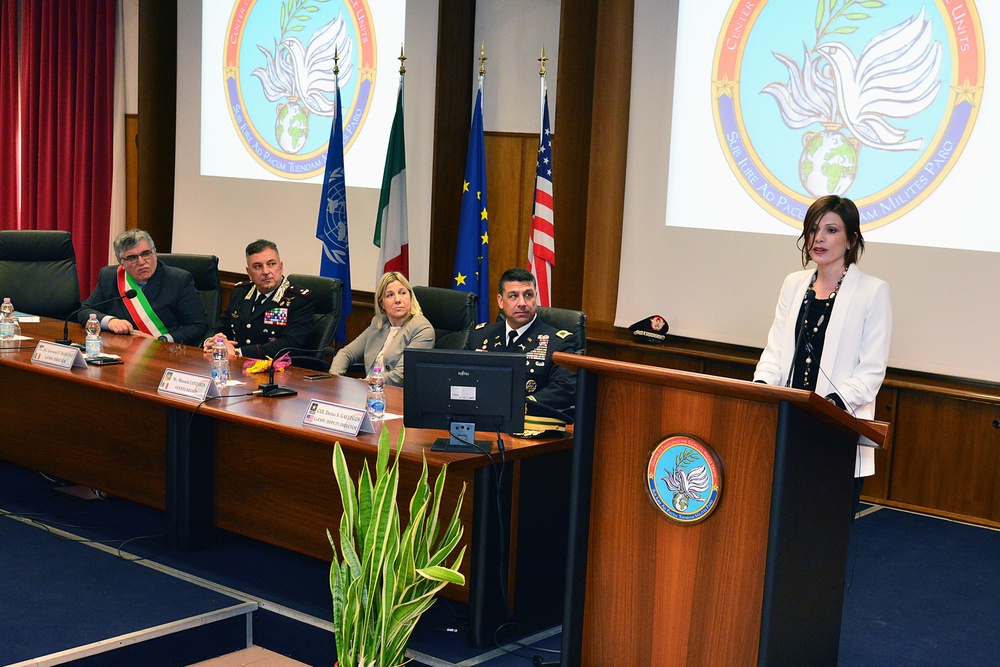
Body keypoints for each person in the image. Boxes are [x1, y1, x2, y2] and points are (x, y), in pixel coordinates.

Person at [754, 195, 892, 482]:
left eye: (831, 230)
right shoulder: (793, 283)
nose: (819, 238)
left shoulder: (872, 291)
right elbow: (775, 350)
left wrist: (830, 405)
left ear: (851, 240)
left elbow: (871, 371)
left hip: (836, 430)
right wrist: (762, 388)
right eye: (813, 229)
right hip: (788, 427)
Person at [467, 267, 579, 419]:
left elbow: (566, 388)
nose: (522, 303)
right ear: (500, 301)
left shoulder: (558, 342)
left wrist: (521, 405)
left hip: (528, 421)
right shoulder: (480, 335)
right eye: (513, 296)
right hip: (481, 417)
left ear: (536, 298)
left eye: (528, 295)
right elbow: (462, 376)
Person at [79, 229, 208, 346]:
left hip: (164, 353)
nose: (141, 262)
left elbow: (198, 325)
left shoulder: (179, 280)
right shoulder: (110, 277)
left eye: (146, 254)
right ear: (121, 263)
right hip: (122, 351)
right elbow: (85, 311)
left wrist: (161, 340)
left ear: (154, 253)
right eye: (132, 257)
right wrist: (110, 321)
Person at [204, 239, 315, 359]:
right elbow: (222, 326)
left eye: (271, 264)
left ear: (281, 267)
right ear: (249, 273)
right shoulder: (241, 292)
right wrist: (212, 340)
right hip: (236, 366)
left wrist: (239, 352)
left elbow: (290, 344)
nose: (266, 271)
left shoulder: (299, 299)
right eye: (258, 266)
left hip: (275, 369)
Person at [329, 271, 434, 386]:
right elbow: (346, 353)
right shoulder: (379, 323)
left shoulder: (422, 329)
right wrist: (335, 379)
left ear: (410, 297)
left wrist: (361, 385)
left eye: (402, 293)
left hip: (395, 395)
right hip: (368, 392)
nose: (398, 300)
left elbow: (400, 376)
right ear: (382, 304)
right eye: (390, 295)